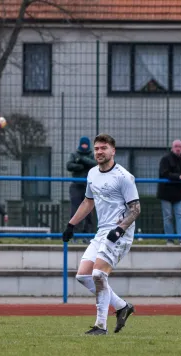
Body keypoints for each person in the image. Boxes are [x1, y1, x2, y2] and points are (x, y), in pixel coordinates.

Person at [62, 133, 139, 335]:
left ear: (113, 151)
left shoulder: (124, 177)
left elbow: (136, 209)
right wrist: (71, 225)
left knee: (98, 274)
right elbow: (88, 202)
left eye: (103, 148)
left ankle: (100, 326)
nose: (99, 152)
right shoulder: (92, 174)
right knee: (83, 275)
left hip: (120, 232)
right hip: (102, 231)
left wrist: (120, 229)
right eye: (96, 148)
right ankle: (122, 306)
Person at [157, 140, 181, 246]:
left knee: (180, 216)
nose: (178, 148)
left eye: (180, 146)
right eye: (176, 146)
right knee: (168, 217)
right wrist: (179, 177)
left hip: (179, 194)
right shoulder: (165, 159)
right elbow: (164, 173)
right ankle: (170, 240)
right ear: (172, 148)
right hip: (166, 193)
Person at [66, 136, 97, 242]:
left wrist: (81, 160)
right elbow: (69, 165)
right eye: (82, 144)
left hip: (89, 186)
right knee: (75, 211)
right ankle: (74, 234)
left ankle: (87, 235)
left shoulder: (92, 155)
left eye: (86, 145)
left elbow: (95, 165)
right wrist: (81, 166)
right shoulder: (74, 154)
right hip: (76, 186)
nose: (84, 146)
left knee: (88, 212)